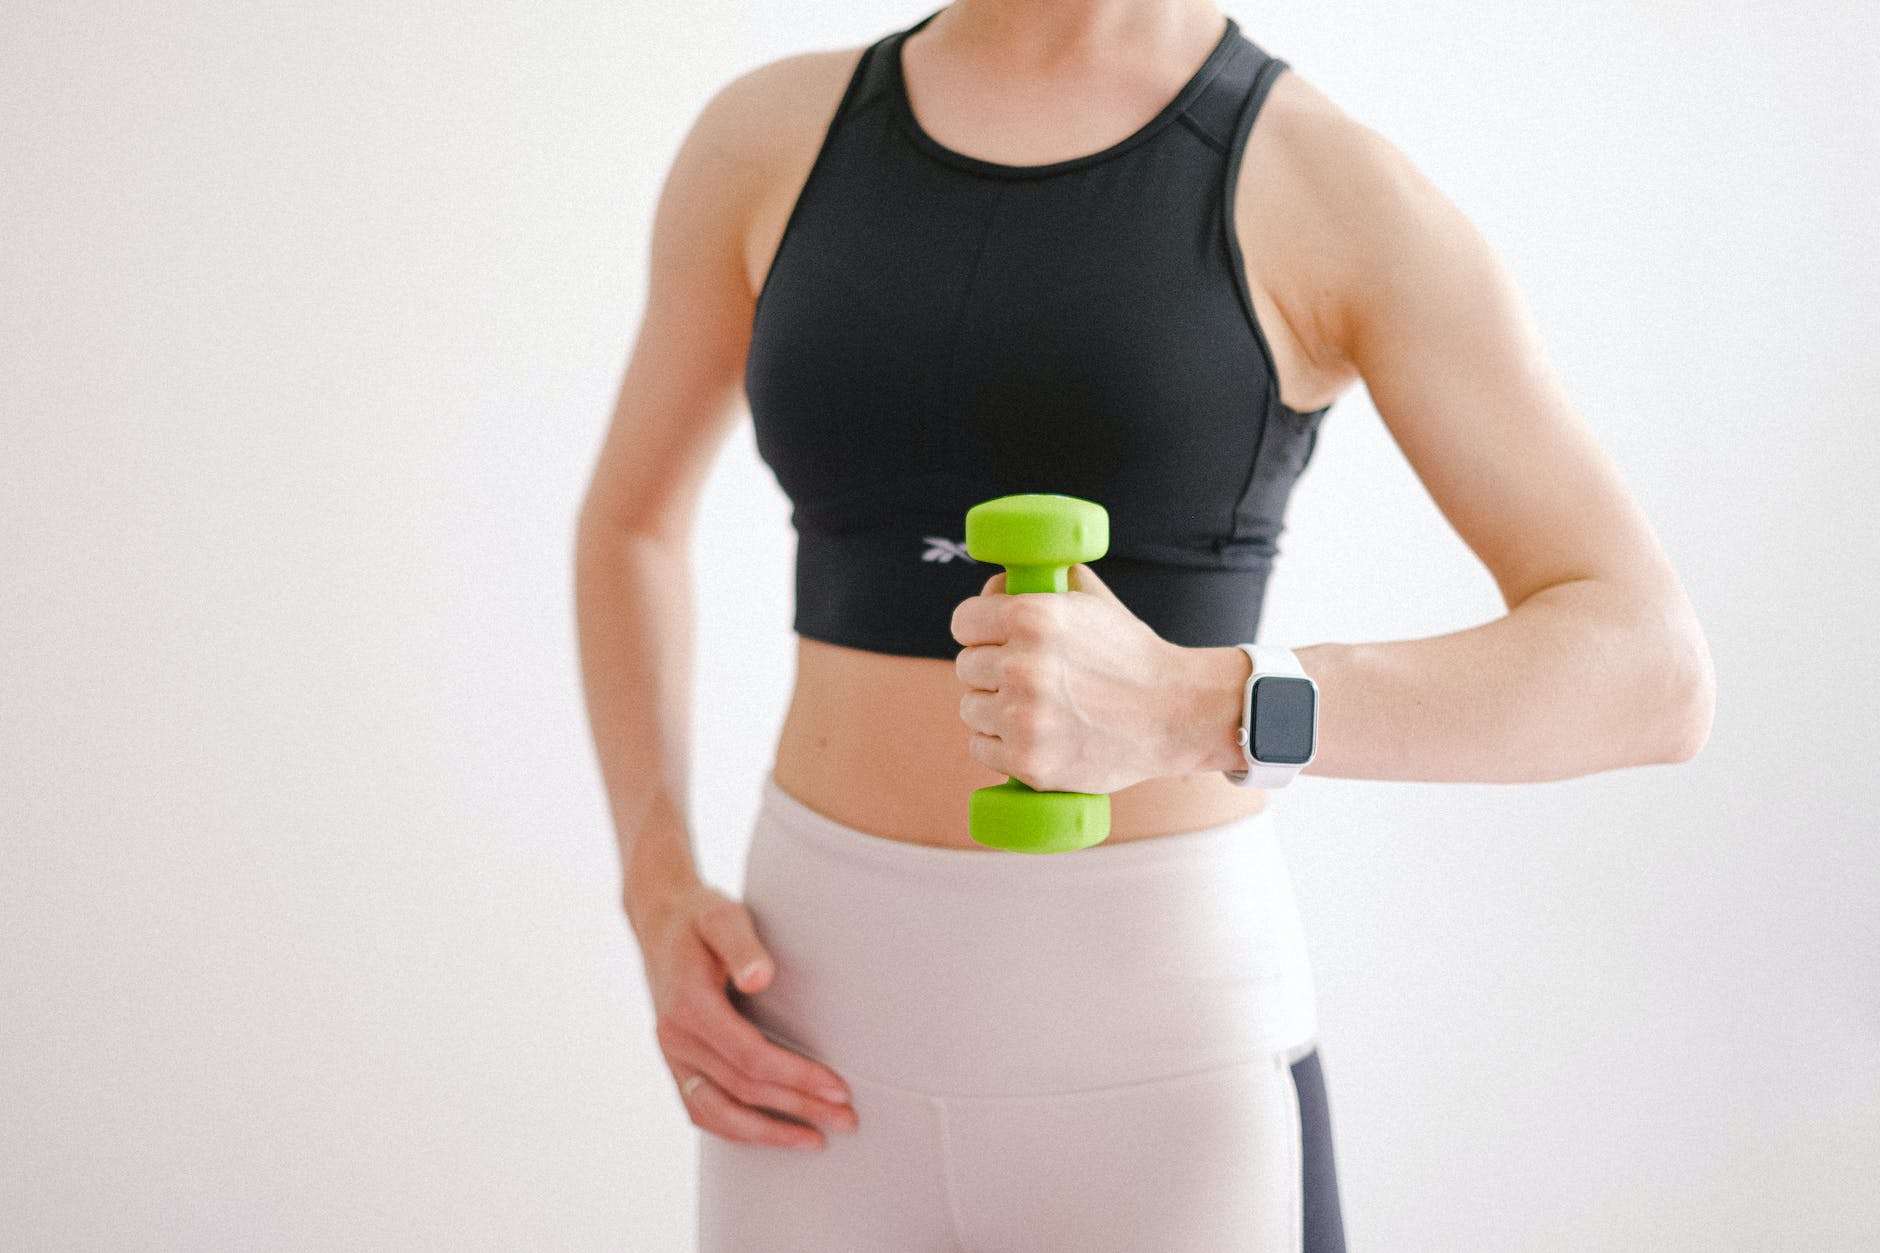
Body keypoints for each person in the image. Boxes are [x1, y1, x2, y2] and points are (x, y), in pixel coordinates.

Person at [574, 1, 1716, 1249]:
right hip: (801, 1037)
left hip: (1155, 1061)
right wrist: (653, 878)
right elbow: (632, 522)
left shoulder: (1321, 183)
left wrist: (1199, 705)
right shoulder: (769, 135)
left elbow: (1648, 667)